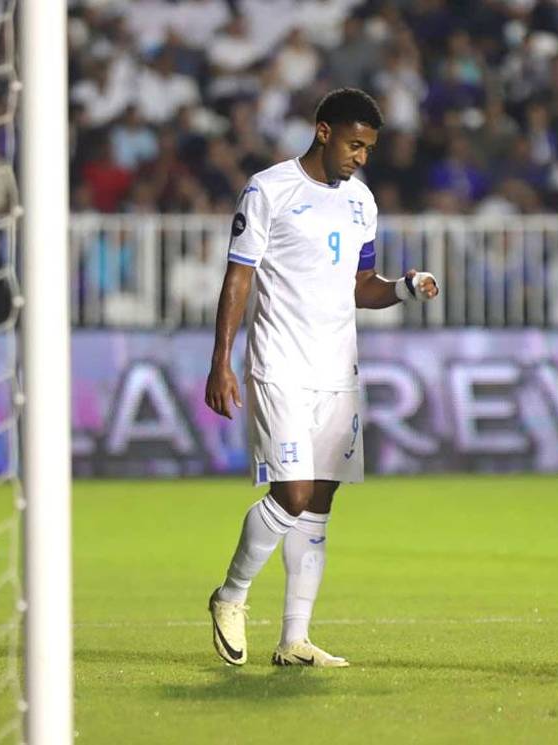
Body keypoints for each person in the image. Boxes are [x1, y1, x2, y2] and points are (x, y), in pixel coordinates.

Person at [204, 89, 440, 668]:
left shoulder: (362, 201)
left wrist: (406, 287)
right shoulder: (269, 188)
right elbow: (238, 278)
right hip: (280, 364)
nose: (362, 157)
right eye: (355, 144)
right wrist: (221, 360)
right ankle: (230, 596)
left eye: (369, 149)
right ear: (323, 131)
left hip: (338, 370)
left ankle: (294, 638)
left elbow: (362, 288)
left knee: (320, 503)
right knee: (293, 492)